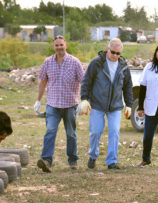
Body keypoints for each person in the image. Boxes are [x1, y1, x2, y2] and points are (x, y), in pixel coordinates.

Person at [80, 38, 133, 169]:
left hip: (115, 106)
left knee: (114, 132)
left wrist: (129, 104)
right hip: (97, 104)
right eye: (113, 52)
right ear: (108, 49)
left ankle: (112, 161)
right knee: (96, 132)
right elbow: (86, 81)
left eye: (118, 53)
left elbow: (127, 86)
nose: (115, 56)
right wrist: (84, 99)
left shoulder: (124, 66)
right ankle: (93, 155)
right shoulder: (96, 63)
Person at [34, 35, 85, 172]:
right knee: (50, 131)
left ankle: (73, 160)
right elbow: (43, 82)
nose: (59, 47)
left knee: (71, 134)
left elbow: (83, 81)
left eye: (61, 45)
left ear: (66, 46)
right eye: (57, 45)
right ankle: (46, 161)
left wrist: (84, 100)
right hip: (53, 105)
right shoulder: (47, 62)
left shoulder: (75, 62)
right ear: (53, 47)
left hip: (70, 105)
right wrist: (38, 100)